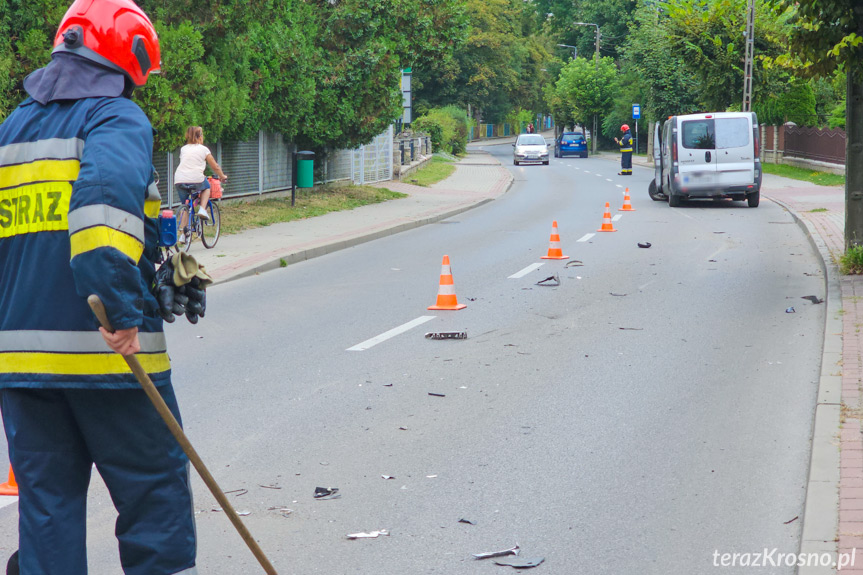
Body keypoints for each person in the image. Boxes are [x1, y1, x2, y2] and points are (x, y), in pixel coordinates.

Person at [0, 1, 197, 574]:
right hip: (108, 358)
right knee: (153, 495)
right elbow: (101, 214)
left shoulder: (11, 129)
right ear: (126, 59)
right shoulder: (116, 119)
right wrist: (122, 311)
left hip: (20, 362)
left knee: (48, 510)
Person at [174, 126, 227, 244]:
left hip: (179, 179)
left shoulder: (183, 149)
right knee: (207, 187)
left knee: (185, 206)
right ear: (200, 136)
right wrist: (222, 176)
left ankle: (183, 235)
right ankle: (202, 209)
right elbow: (215, 166)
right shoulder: (204, 149)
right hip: (196, 178)